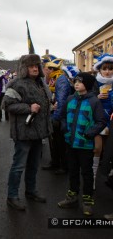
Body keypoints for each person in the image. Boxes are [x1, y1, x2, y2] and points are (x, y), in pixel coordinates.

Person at [2, 54, 52, 211]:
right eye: (31, 66)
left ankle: (31, 191)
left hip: (38, 133)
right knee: (18, 166)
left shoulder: (41, 83)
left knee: (34, 164)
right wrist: (28, 108)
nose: (35, 68)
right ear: (24, 68)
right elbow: (7, 105)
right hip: (24, 133)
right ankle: (12, 196)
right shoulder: (16, 84)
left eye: (37, 65)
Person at [58, 73, 106, 216]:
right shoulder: (70, 99)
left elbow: (101, 121)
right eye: (75, 81)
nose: (76, 84)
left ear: (88, 85)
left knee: (86, 173)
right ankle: (72, 198)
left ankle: (87, 201)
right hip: (70, 143)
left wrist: (89, 133)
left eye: (80, 82)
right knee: (72, 171)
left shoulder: (94, 102)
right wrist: (64, 127)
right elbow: (63, 116)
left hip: (85, 145)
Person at [92, 54, 113, 189]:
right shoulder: (94, 83)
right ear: (99, 70)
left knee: (108, 150)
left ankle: (109, 174)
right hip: (98, 119)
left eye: (110, 69)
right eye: (104, 69)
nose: (107, 71)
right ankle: (92, 178)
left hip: (111, 121)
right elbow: (85, 99)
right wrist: (97, 97)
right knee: (97, 148)